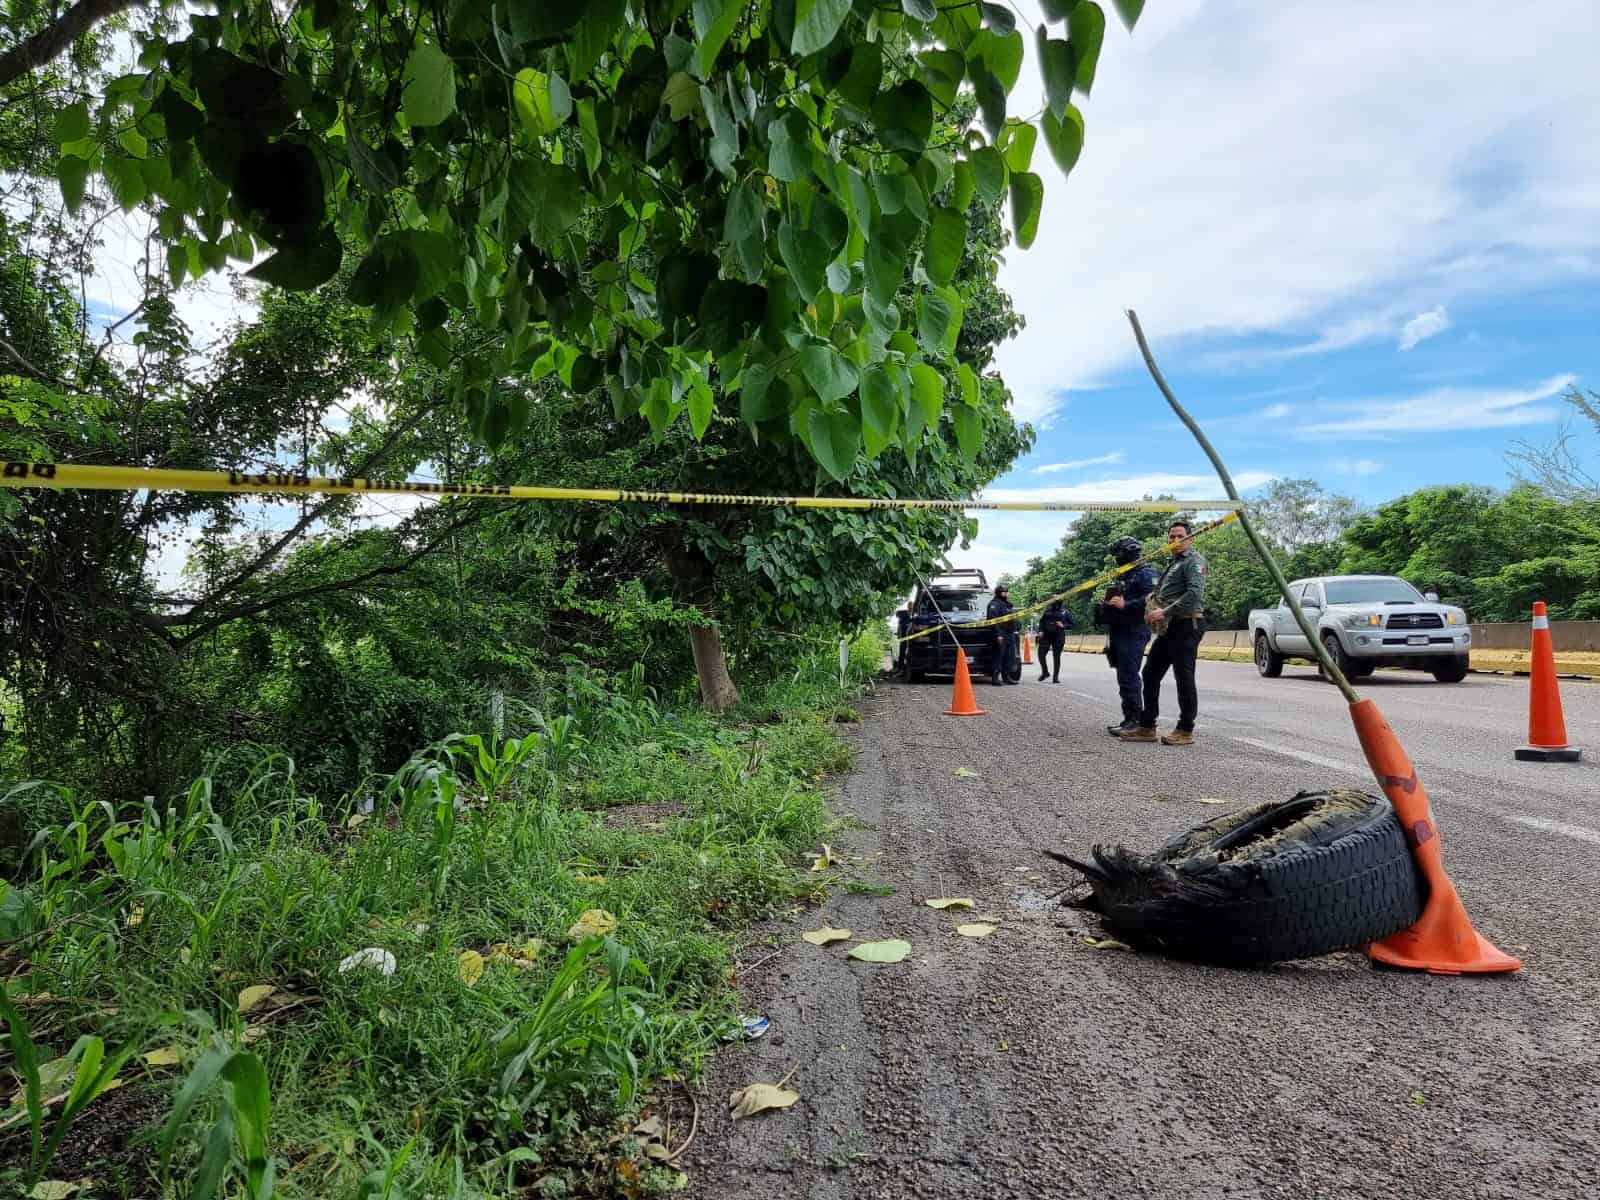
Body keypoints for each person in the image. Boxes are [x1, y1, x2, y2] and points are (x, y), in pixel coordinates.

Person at [1120, 520, 1207, 746]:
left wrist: (1164, 611)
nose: (1175, 541)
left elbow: (1194, 595)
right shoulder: (1173, 562)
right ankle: (1147, 726)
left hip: (1187, 624)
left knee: (1184, 678)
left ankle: (1185, 729)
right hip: (1169, 627)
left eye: (1180, 536)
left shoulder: (1193, 561)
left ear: (1191, 538)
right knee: (1150, 674)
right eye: (1171, 537)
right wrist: (1153, 602)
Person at [1097, 536, 1157, 735]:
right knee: (1123, 675)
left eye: (1119, 554)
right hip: (1119, 629)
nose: (1116, 558)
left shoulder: (1145, 573)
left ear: (1130, 552)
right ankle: (1128, 718)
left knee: (1130, 675)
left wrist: (1125, 605)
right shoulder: (1124, 575)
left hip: (1134, 629)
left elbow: (1153, 599)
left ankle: (1137, 720)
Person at [985, 583, 1020, 686]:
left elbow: (1012, 618)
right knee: (999, 656)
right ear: (998, 593)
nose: (1006, 594)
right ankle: (995, 678)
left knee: (1009, 656)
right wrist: (998, 634)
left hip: (1009, 634)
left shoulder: (1007, 604)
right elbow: (993, 620)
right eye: (1003, 592)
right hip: (1000, 634)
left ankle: (1006, 677)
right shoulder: (994, 604)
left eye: (1006, 592)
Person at [1036, 599, 1072, 682]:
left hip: (1058, 636)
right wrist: (1040, 631)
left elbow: (1072, 624)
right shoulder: (1047, 611)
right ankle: (1045, 672)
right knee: (1041, 655)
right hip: (1046, 636)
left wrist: (1063, 626)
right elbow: (1041, 622)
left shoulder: (1064, 612)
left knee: (1056, 657)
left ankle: (1055, 677)